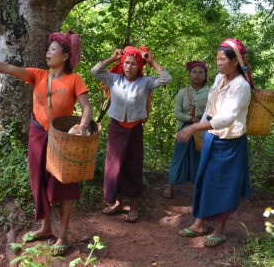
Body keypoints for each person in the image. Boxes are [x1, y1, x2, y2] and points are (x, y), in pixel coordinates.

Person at [0, 30, 92, 256]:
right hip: (37, 134)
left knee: (63, 186)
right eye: (48, 49)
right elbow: (7, 68)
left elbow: (87, 108)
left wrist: (83, 127)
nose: (48, 53)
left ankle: (63, 236)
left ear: (65, 56)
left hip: (62, 138)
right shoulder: (38, 75)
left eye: (53, 50)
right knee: (39, 182)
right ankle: (46, 228)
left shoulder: (74, 79)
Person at [176, 38, 253, 247]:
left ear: (234, 61)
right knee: (204, 180)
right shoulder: (220, 79)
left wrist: (194, 128)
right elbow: (210, 110)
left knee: (223, 186)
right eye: (217, 59)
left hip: (230, 143)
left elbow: (228, 119)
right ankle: (199, 223)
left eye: (222, 59)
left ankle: (220, 230)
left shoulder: (241, 86)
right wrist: (199, 130)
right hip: (212, 137)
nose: (218, 63)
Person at [90, 46, 172, 222]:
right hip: (116, 127)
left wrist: (152, 61)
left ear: (139, 66)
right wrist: (113, 58)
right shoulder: (114, 79)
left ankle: (134, 206)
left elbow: (166, 78)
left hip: (135, 128)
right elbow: (94, 71)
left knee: (133, 166)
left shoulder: (146, 82)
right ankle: (117, 203)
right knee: (115, 166)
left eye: (133, 64)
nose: (129, 66)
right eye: (126, 62)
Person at [162, 61, 209, 199]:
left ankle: (198, 189)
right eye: (194, 72)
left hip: (202, 130)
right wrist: (190, 119)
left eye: (201, 72)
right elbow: (177, 112)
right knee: (178, 156)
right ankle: (170, 186)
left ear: (205, 76)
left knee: (199, 158)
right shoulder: (183, 92)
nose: (197, 75)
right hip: (184, 129)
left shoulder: (211, 92)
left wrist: (201, 122)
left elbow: (213, 111)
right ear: (189, 74)